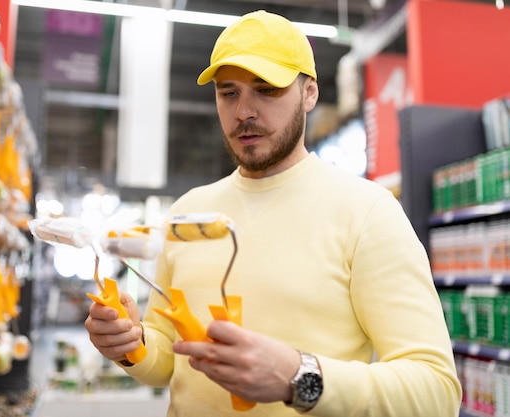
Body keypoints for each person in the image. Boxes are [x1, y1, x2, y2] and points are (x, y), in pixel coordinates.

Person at [85, 9, 462, 417]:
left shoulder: (366, 212)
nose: (244, 110)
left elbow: (436, 391)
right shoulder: (188, 213)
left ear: (310, 93)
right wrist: (131, 344)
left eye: (266, 89)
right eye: (228, 92)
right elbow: (173, 360)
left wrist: (298, 376)